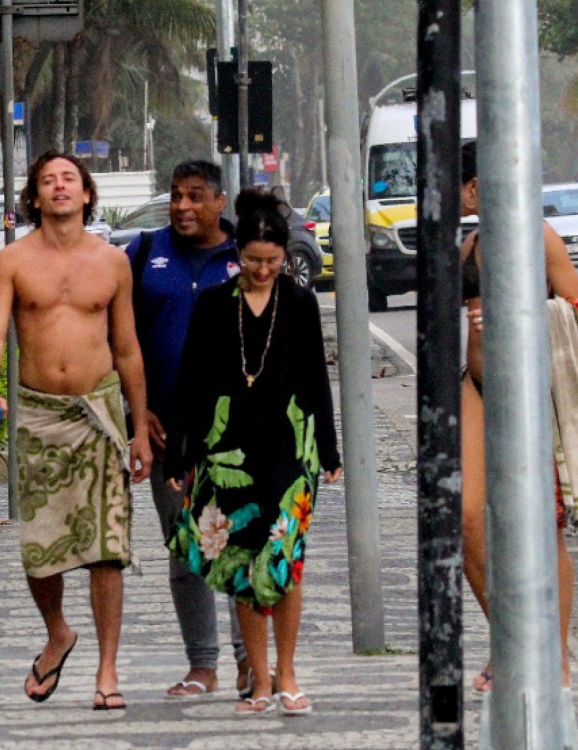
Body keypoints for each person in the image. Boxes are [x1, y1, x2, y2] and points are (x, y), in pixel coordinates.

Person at [0, 151, 153, 711]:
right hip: (39, 415)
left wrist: (140, 429)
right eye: (48, 180)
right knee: (41, 549)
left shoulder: (113, 263)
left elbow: (127, 348)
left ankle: (107, 671)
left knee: (106, 549)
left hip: (99, 414)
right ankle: (57, 631)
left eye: (68, 180)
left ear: (85, 195)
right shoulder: (12, 260)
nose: (58, 187)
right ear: (34, 197)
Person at [164, 188, 343, 716]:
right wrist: (182, 454)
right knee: (242, 565)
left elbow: (316, 380)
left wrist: (330, 451)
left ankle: (288, 673)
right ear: (236, 254)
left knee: (284, 563)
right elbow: (191, 386)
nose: (262, 270)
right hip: (226, 456)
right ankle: (259, 680)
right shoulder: (214, 305)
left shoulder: (302, 303)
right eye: (251, 261)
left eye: (272, 261)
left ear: (285, 256)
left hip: (290, 454)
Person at [458, 141, 578, 693]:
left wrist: (521, 317)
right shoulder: (470, 243)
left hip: (531, 393)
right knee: (465, 520)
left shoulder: (537, 238)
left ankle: (554, 659)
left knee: (543, 529)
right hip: (476, 387)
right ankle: (511, 644)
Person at [125, 160, 251, 698]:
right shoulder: (143, 254)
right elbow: (120, 336)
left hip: (236, 431)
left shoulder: (245, 256)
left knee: (238, 543)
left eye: (195, 196)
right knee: (187, 548)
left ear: (219, 202)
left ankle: (253, 660)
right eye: (176, 195)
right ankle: (203, 665)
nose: (181, 206)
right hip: (166, 429)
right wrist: (138, 411)